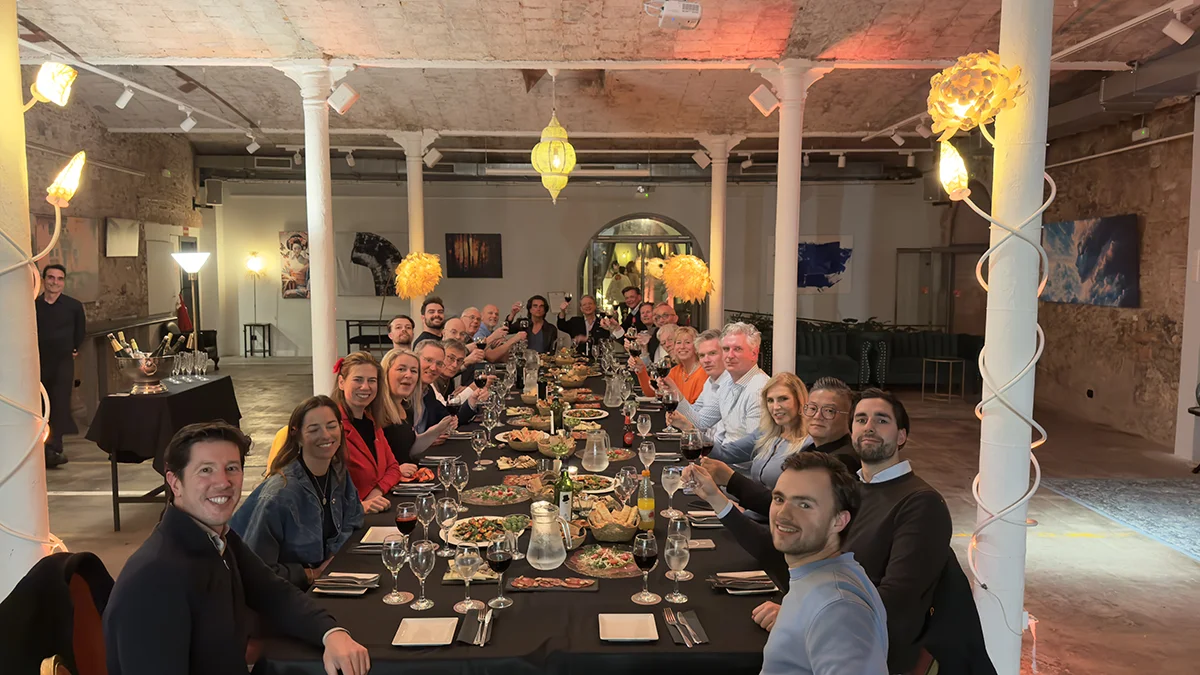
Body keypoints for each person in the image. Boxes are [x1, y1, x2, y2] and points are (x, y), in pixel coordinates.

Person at [102, 421, 370, 675]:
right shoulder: (155, 577)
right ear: (174, 483)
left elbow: (274, 593)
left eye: (231, 468)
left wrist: (332, 633)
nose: (223, 482)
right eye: (206, 470)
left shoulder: (218, 540)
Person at [843, 389, 952, 674]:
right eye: (861, 419)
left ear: (901, 436)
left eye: (881, 420)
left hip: (875, 651)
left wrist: (809, 618)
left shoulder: (921, 503)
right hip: (840, 630)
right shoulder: (852, 489)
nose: (869, 427)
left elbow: (895, 600)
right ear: (852, 432)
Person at [759, 451, 888, 675]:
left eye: (804, 505)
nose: (783, 514)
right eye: (779, 499)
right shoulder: (819, 577)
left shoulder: (838, 608)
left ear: (839, 521)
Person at [230, 396, 364, 589]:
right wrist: (311, 574)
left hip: (327, 581)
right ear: (297, 435)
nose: (326, 435)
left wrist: (335, 556)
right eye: (314, 429)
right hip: (287, 593)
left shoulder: (338, 471)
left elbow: (354, 517)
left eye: (331, 426)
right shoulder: (281, 494)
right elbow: (255, 570)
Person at [700, 377, 861, 516]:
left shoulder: (842, 459)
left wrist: (731, 481)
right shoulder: (810, 450)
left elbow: (788, 511)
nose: (817, 416)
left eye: (829, 411)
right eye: (813, 408)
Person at [702, 373, 811, 509]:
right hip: (750, 510)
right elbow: (727, 453)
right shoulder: (765, 433)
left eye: (783, 399)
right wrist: (691, 433)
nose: (776, 407)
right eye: (770, 400)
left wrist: (731, 481)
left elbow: (790, 505)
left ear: (800, 401)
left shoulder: (808, 446)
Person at [331, 351, 405, 514]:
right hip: (347, 519)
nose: (365, 387)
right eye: (358, 379)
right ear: (341, 382)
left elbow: (393, 468)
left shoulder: (371, 421)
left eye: (372, 380)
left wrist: (376, 492)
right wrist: (360, 507)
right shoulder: (331, 428)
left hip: (375, 509)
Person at [36, 264, 85, 469]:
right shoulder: (34, 305)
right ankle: (39, 447)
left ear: (63, 282)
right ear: (43, 280)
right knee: (39, 404)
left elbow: (80, 330)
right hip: (38, 362)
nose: (55, 282)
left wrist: (74, 348)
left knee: (59, 403)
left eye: (59, 278)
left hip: (63, 362)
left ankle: (54, 448)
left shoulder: (73, 306)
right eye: (51, 277)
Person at [380, 348, 456, 464]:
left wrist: (434, 432)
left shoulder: (406, 406)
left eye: (414, 371)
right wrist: (395, 470)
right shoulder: (377, 410)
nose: (409, 375)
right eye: (401, 369)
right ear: (385, 373)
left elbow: (408, 450)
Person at [414, 340, 481, 433]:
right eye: (428, 360)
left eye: (439, 363)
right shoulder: (406, 392)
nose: (433, 368)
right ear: (414, 359)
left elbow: (447, 416)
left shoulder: (428, 391)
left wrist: (451, 421)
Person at [669, 329, 726, 430]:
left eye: (712, 353)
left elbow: (701, 423)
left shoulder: (728, 384)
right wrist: (677, 416)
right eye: (702, 355)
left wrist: (675, 393)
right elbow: (695, 410)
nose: (706, 360)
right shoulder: (710, 382)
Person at [637, 326, 707, 403]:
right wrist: (641, 369)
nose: (682, 347)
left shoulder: (704, 372)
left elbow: (695, 408)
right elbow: (653, 393)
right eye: (678, 343)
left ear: (696, 346)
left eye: (687, 342)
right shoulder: (675, 371)